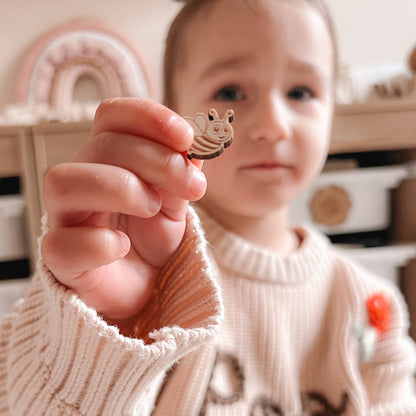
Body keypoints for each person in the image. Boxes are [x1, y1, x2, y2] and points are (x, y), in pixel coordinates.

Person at [1, 0, 416, 414]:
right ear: (176, 112)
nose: (273, 125)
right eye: (230, 93)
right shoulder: (131, 269)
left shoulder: (371, 301)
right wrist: (101, 332)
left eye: (301, 92)